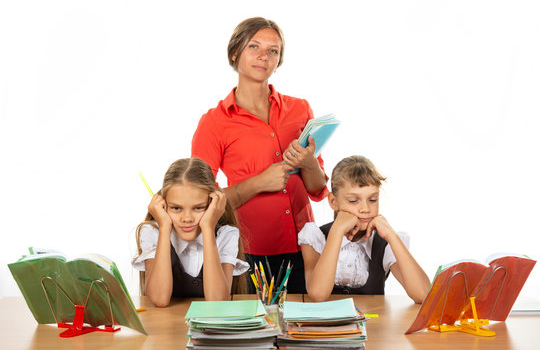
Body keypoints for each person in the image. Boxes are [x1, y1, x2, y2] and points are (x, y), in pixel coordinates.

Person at [191, 17, 328, 294]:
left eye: (273, 50)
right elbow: (199, 200)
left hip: (306, 249)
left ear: (279, 60)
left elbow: (318, 189)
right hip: (247, 255)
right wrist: (258, 183)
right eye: (254, 46)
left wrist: (308, 163)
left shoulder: (300, 109)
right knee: (251, 333)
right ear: (234, 53)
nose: (264, 56)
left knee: (302, 331)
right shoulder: (214, 122)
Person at [299, 155, 430, 303]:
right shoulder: (315, 237)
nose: (365, 209)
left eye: (373, 200)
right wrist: (337, 231)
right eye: (354, 201)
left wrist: (392, 236)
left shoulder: (383, 243)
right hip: (326, 326)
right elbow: (318, 294)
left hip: (373, 324)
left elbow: (424, 295)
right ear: (333, 201)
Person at [132, 158, 249, 307]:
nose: (187, 218)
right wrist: (165, 228)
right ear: (163, 205)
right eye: (176, 208)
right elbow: (159, 299)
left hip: (210, 328)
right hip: (166, 328)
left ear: (213, 204)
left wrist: (207, 228)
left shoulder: (226, 235)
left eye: (198, 208)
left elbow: (217, 301)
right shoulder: (153, 232)